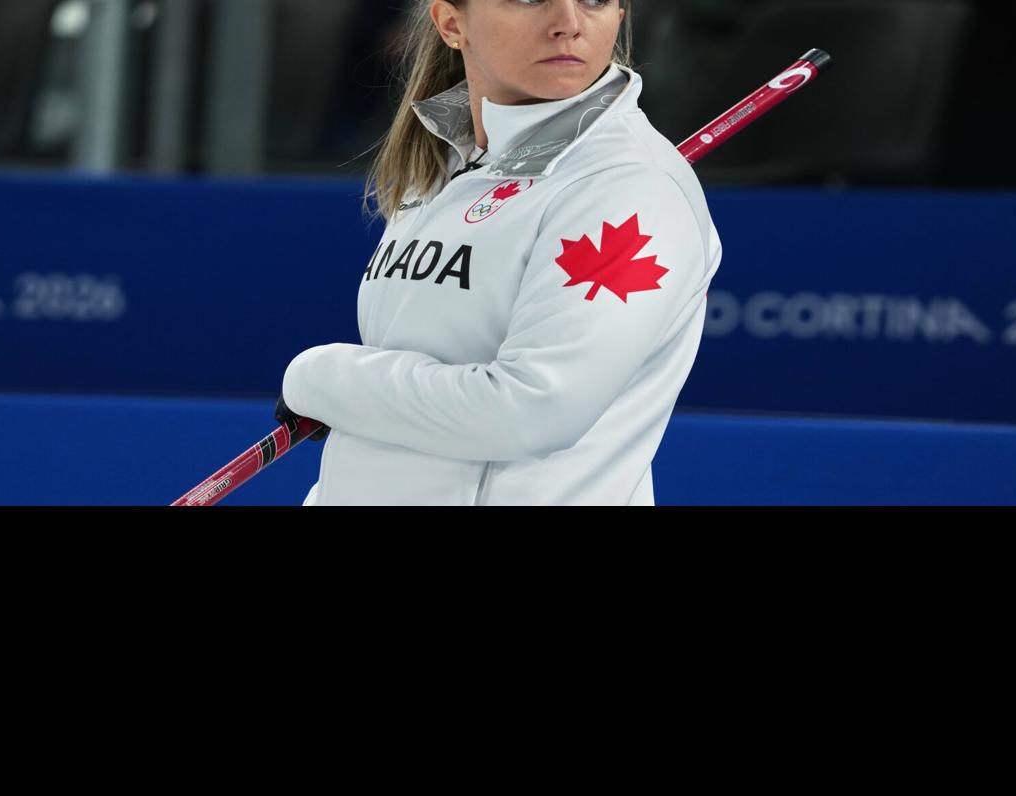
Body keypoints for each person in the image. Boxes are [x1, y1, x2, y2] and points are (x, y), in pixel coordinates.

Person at [275, 0, 722, 505]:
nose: (568, 23)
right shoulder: (445, 164)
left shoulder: (628, 191)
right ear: (451, 22)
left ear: (619, 15)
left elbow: (533, 410)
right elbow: (397, 422)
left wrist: (320, 377)